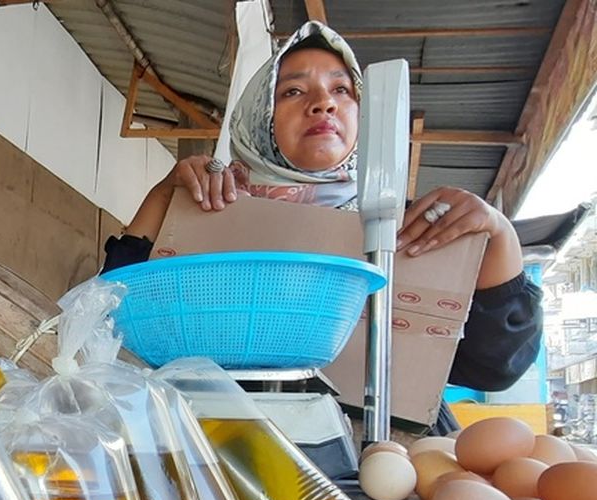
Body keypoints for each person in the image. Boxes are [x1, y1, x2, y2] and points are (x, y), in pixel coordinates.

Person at [103, 21, 542, 435]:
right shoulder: (212, 209)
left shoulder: (408, 231)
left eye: (342, 90)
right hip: (220, 448)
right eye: (293, 90)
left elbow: (495, 367)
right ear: (260, 114)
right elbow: (105, 316)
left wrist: (500, 234)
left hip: (379, 463)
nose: (323, 103)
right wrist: (165, 194)